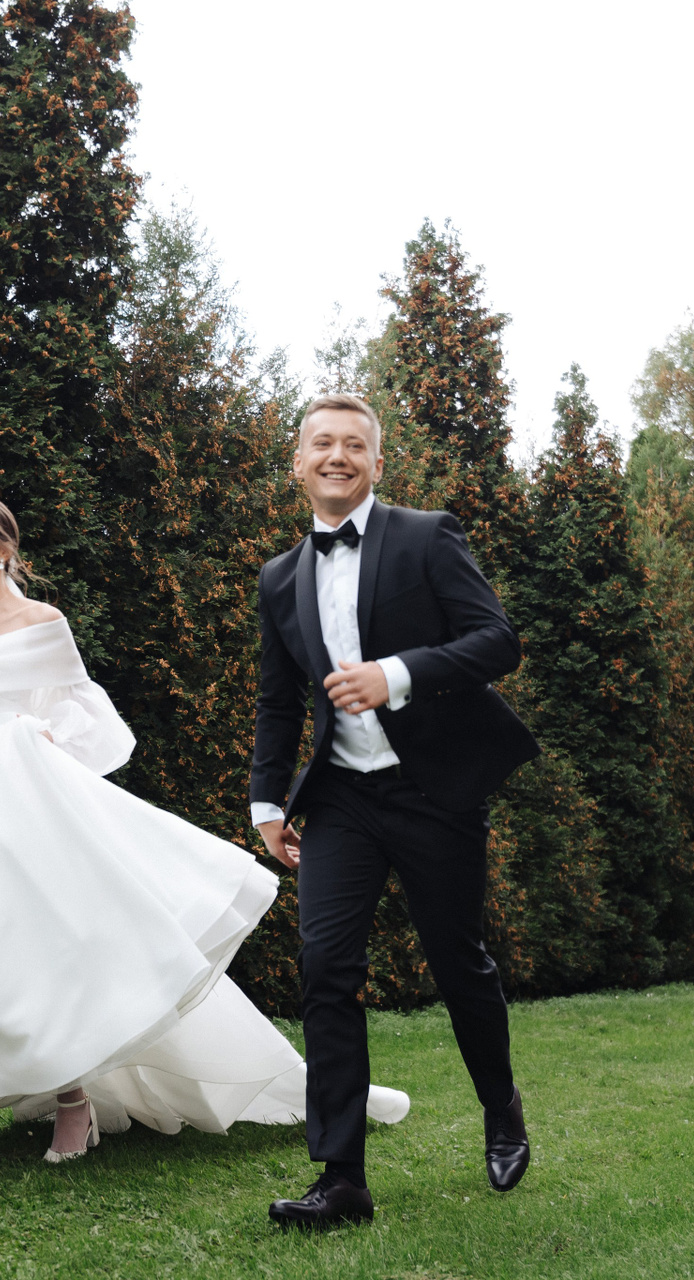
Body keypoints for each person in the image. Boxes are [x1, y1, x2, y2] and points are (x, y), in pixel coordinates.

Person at [0, 496, 408, 1174]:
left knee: (39, 953)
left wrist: (43, 736)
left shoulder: (43, 624)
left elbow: (88, 711)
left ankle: (69, 1102)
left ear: (4, 549)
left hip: (20, 810)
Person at [252, 393, 541, 1229]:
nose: (337, 456)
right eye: (322, 444)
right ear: (298, 463)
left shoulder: (426, 536)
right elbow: (278, 701)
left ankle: (500, 1106)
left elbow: (498, 641)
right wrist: (268, 799)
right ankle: (341, 1178)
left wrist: (397, 674)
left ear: (377, 464)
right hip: (342, 798)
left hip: (432, 792)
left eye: (354, 445)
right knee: (325, 970)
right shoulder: (279, 577)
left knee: (458, 963)